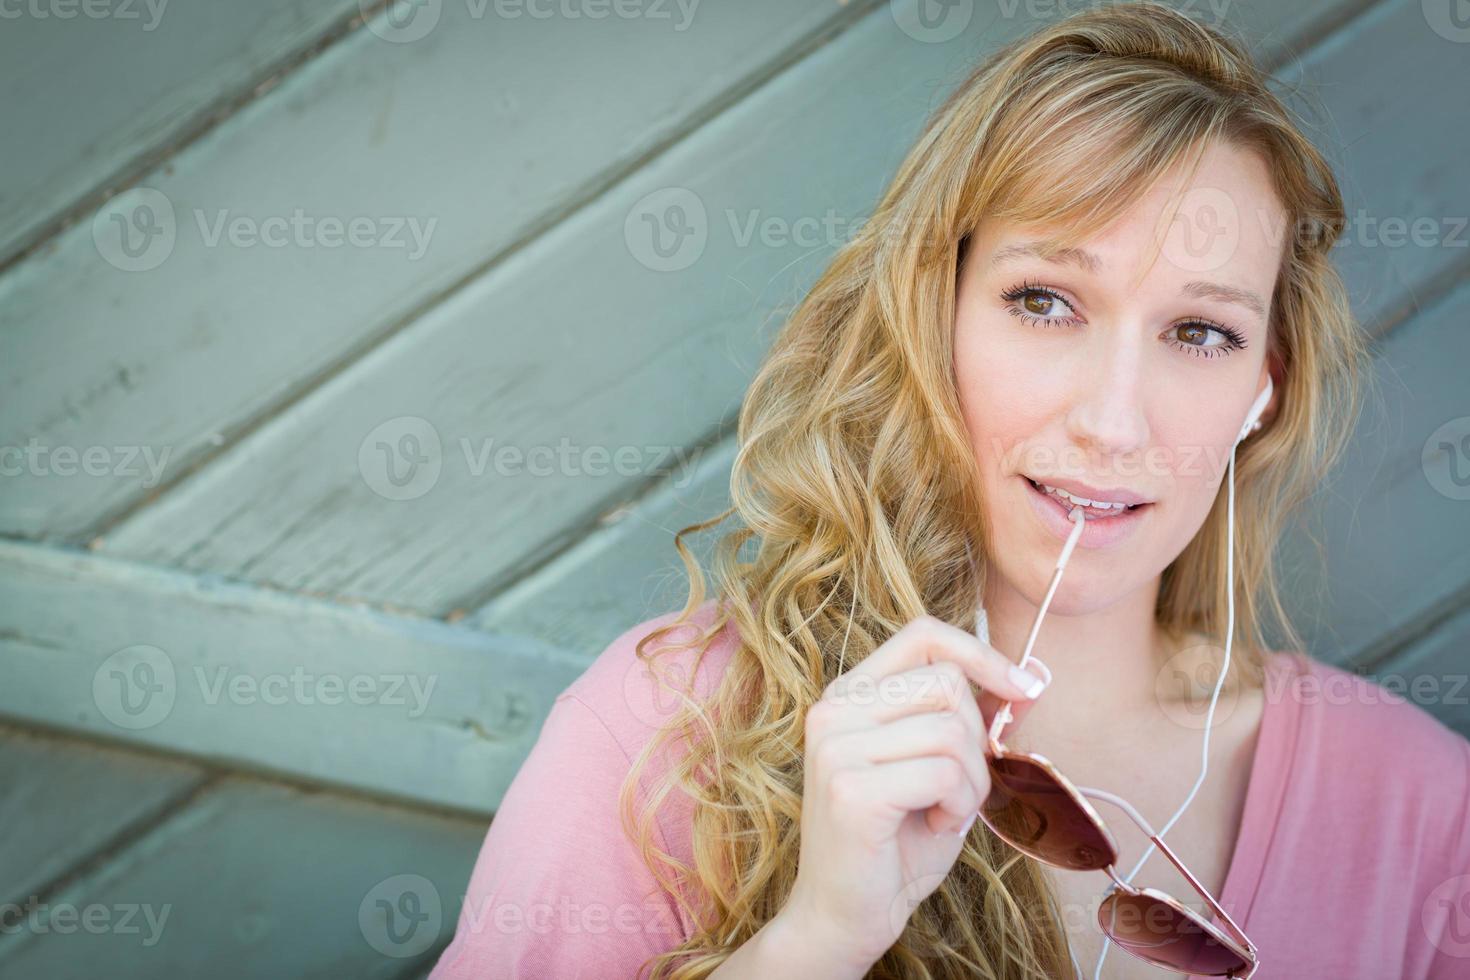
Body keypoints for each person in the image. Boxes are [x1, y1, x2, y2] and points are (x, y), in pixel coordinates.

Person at [428, 3, 1470, 977]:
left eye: (1201, 332)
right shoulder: (662, 737)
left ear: (1261, 389)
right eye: (1046, 301)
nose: (1113, 421)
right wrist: (818, 937)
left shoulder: (1426, 820)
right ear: (937, 314)